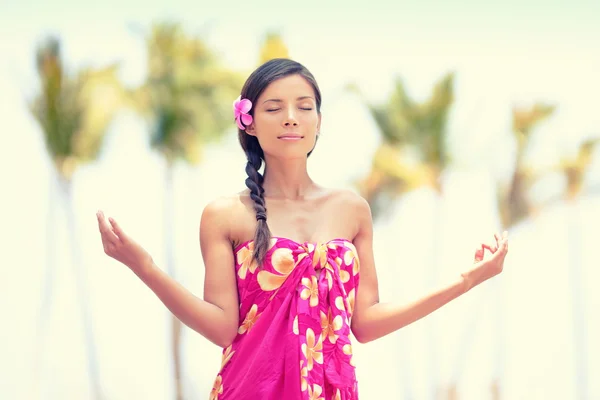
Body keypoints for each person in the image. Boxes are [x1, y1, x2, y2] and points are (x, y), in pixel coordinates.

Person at [96, 58, 509, 400]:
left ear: (318, 120)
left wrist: (465, 281)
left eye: (304, 106)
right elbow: (222, 327)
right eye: (273, 108)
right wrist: (145, 266)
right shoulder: (224, 214)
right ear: (250, 123)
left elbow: (365, 323)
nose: (290, 118)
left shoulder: (352, 210)